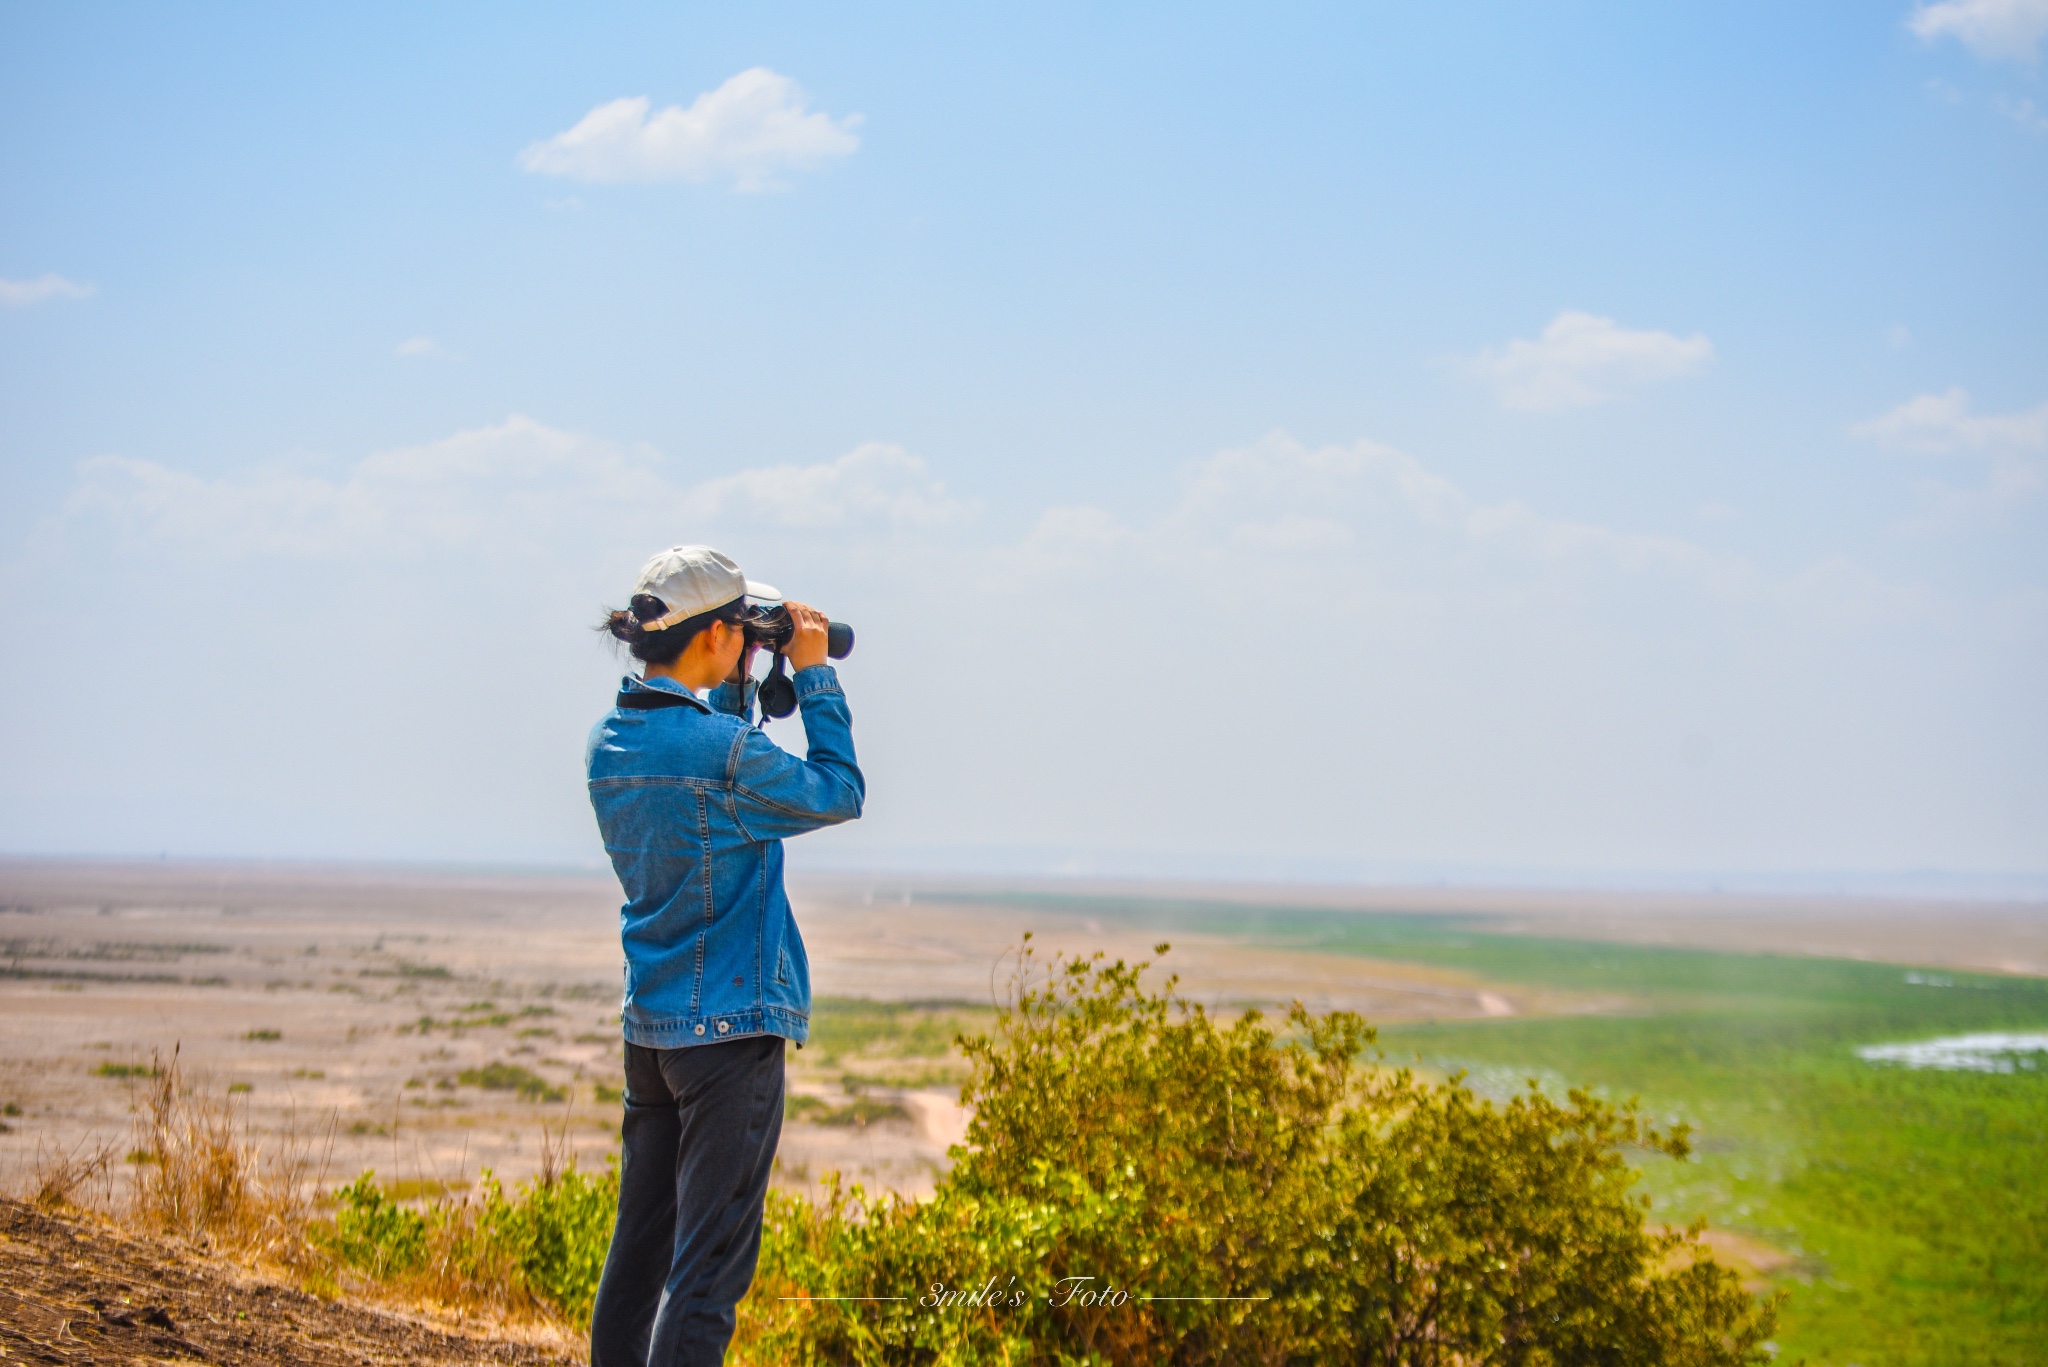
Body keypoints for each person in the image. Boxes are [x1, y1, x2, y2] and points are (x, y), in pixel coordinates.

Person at [584, 544, 864, 1367]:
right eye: (742, 627)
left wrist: (746, 677)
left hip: (654, 1032)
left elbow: (705, 755)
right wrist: (811, 672)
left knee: (638, 1252)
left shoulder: (610, 744)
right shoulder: (724, 754)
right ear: (714, 638)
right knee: (706, 1274)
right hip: (730, 1036)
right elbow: (837, 789)